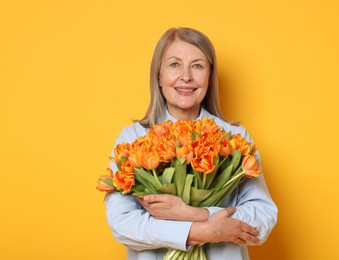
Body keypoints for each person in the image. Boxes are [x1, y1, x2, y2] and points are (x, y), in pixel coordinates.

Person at [105, 27, 278, 260]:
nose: (186, 76)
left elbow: (262, 219)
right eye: (175, 64)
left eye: (197, 65)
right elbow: (122, 223)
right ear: (158, 75)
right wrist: (201, 231)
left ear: (209, 76)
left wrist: (196, 213)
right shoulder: (132, 139)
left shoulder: (235, 139)